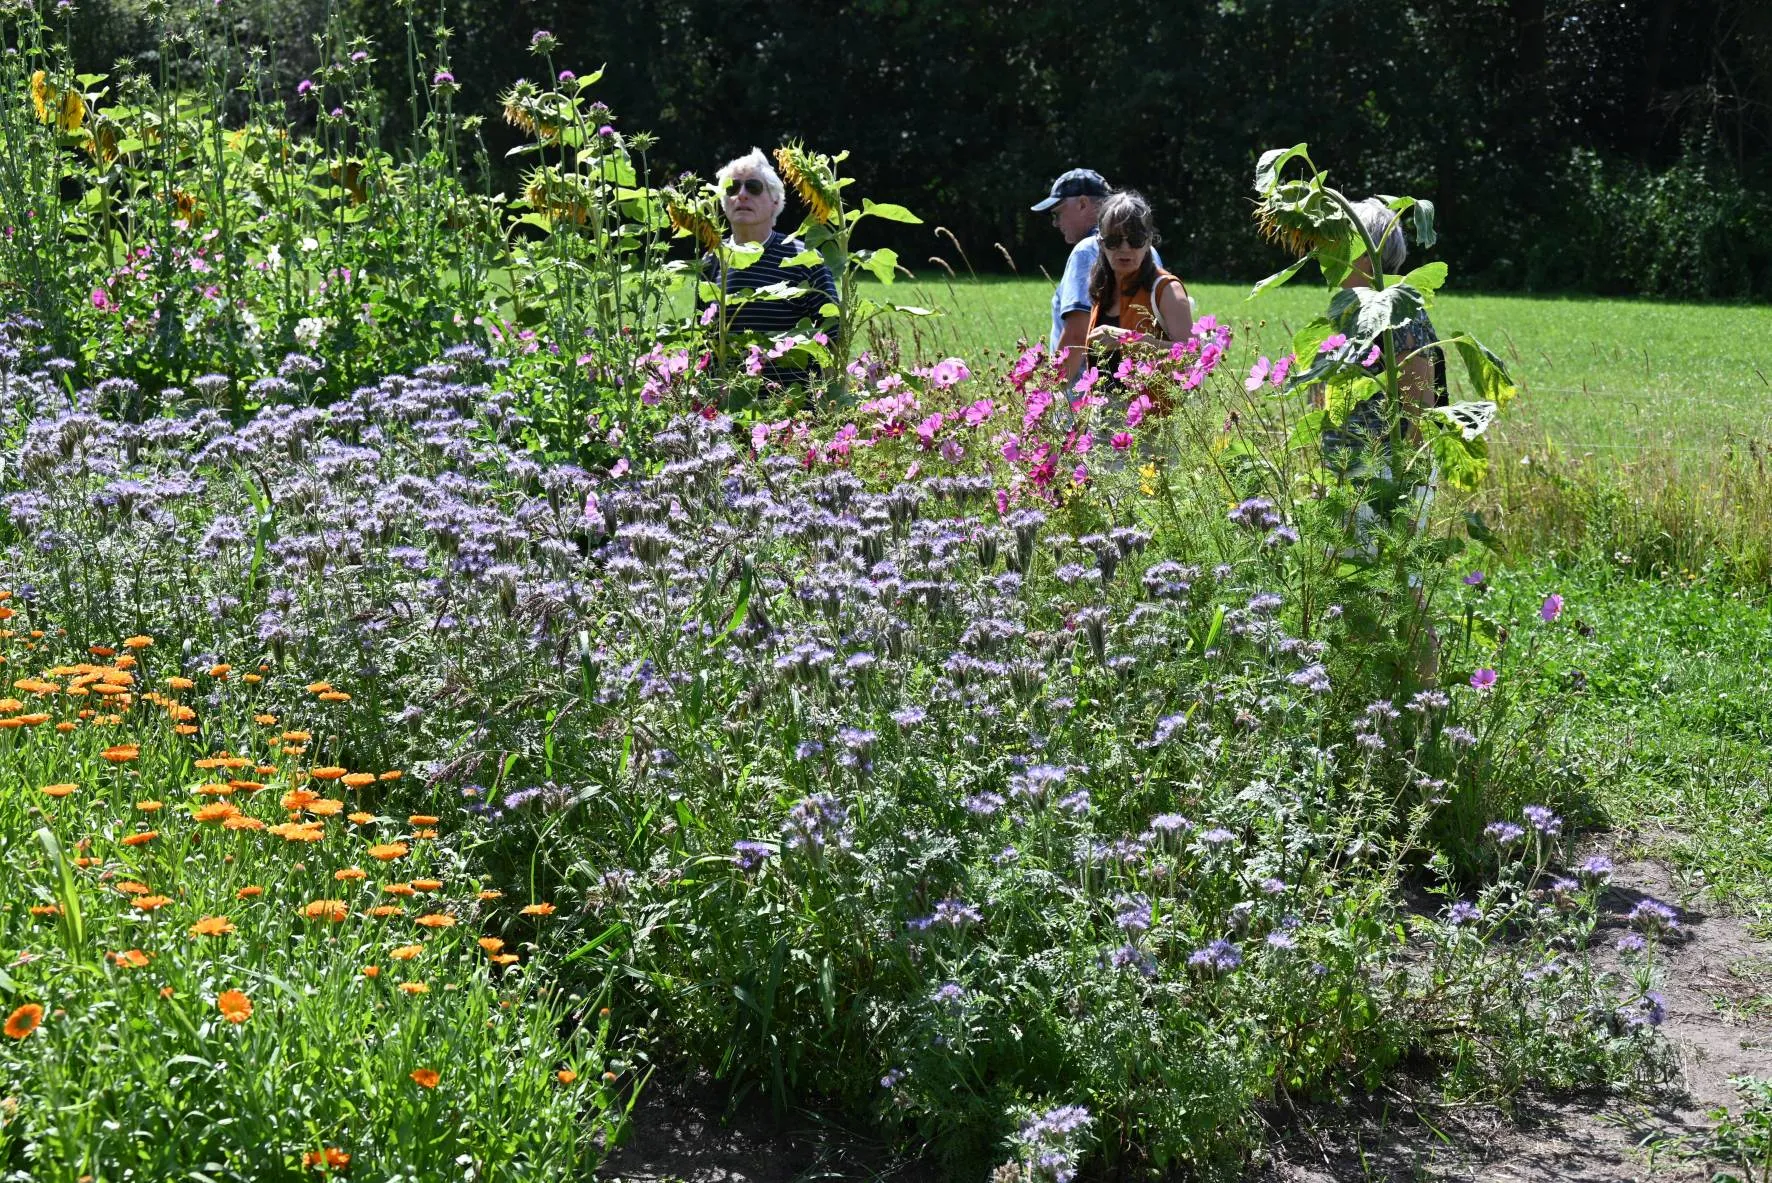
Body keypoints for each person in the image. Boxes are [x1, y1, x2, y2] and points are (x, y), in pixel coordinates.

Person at [1320, 196, 1446, 462]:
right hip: (1345, 478)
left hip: (1383, 479)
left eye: (1338, 242)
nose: (1327, 251)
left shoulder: (1398, 312)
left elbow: (1419, 409)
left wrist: (1400, 480)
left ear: (1366, 254)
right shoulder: (1347, 313)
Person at [702, 147, 838, 384]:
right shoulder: (713, 260)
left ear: (775, 200)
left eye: (753, 187)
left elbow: (834, 334)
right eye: (732, 188)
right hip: (723, 408)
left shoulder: (803, 257)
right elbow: (701, 338)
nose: (742, 195)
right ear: (723, 202)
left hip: (790, 408)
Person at [1030, 168, 1163, 380]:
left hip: (1087, 390)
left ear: (1082, 204)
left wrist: (1050, 395)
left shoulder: (1087, 250)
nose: (1056, 223)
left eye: (1058, 213)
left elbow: (1077, 333)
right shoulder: (1145, 249)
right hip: (1140, 385)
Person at [1084, 192, 1192, 377]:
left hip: (1152, 406)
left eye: (1135, 240)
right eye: (1114, 241)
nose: (1125, 248)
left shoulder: (1167, 290)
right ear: (1101, 243)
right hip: (1101, 405)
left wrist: (1129, 340)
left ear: (1149, 241)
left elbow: (1192, 355)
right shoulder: (1103, 288)